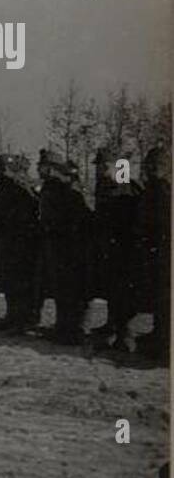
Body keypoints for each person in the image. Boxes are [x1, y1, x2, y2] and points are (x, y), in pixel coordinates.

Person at [88, 145, 142, 348]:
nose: (100, 169)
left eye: (104, 165)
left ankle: (125, 333)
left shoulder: (127, 187)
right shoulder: (104, 186)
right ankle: (112, 326)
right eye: (99, 166)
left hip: (124, 250)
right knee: (111, 288)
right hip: (108, 248)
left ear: (117, 166)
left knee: (123, 293)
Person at [38, 150, 91, 344]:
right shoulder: (50, 188)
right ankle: (63, 327)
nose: (39, 169)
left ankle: (72, 330)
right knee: (60, 290)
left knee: (70, 290)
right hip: (54, 245)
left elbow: (75, 220)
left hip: (67, 248)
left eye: (42, 166)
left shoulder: (66, 191)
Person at [0, 154, 41, 333]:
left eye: (2, 168)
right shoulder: (3, 187)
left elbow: (28, 214)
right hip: (6, 241)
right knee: (9, 282)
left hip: (20, 242)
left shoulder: (19, 188)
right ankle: (12, 316)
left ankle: (21, 319)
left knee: (20, 283)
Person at [135, 145, 171, 363]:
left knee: (165, 299)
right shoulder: (151, 189)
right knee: (158, 298)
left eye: (156, 166)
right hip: (152, 251)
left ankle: (164, 344)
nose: (151, 169)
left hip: (162, 253)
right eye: (150, 165)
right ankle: (159, 336)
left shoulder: (163, 190)